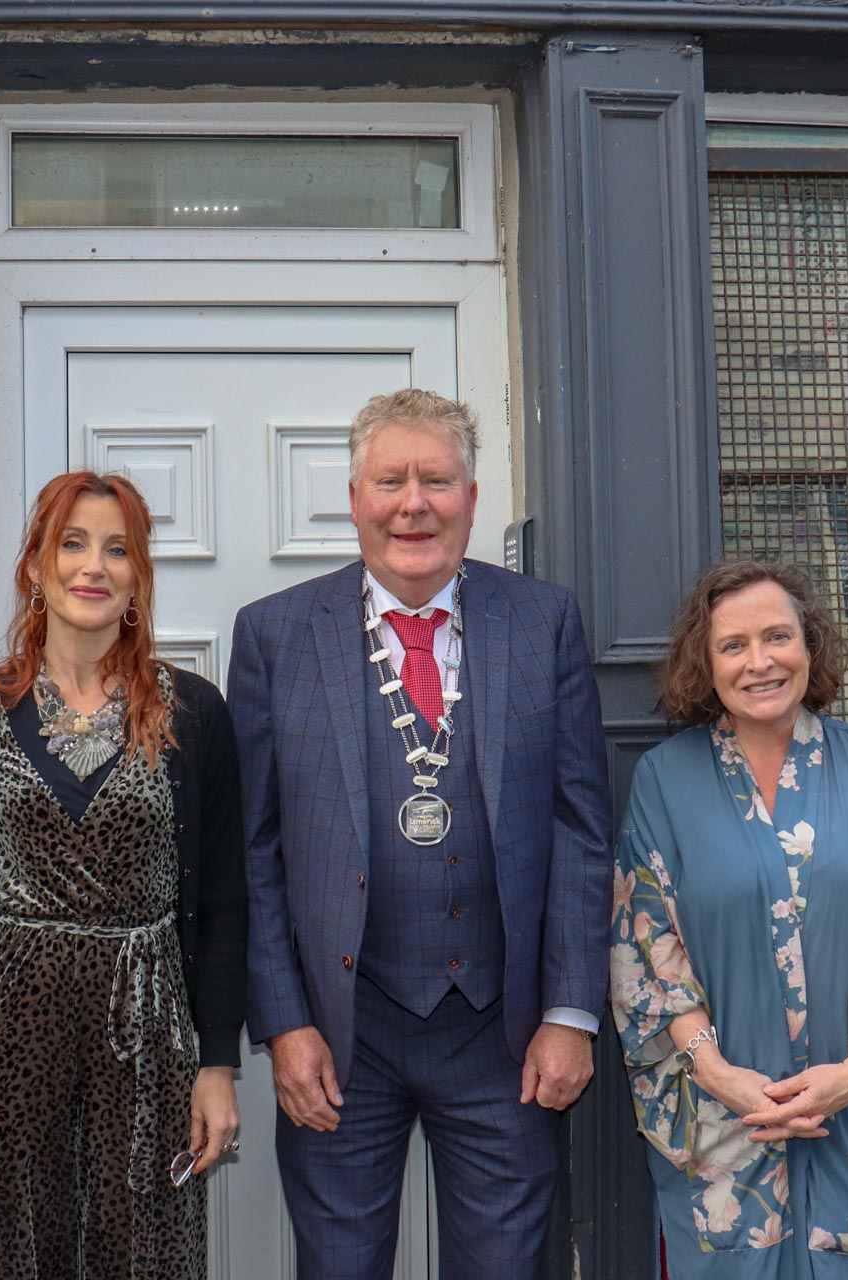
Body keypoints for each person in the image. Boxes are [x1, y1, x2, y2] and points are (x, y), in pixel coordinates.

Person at [227, 388, 613, 1280]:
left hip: (503, 1035)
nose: (414, 503)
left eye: (437, 480)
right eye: (391, 480)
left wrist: (569, 1012)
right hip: (336, 1039)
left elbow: (582, 831)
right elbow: (254, 853)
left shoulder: (543, 621)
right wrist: (284, 1024)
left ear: (471, 500)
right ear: (355, 497)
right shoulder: (276, 636)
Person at [0, 470, 247, 1280]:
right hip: (1, 1040)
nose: (93, 565)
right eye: (72, 543)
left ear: (138, 579)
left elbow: (227, 901)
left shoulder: (192, 714)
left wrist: (218, 1065)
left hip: (149, 1038)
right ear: (35, 566)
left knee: (145, 1257)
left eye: (118, 549)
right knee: (9, 1257)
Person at [609, 559, 848, 1279]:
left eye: (778, 637)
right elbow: (649, 946)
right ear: (704, 665)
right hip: (721, 1124)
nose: (760, 661)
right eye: (733, 645)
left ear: (811, 647)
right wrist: (715, 1071)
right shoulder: (665, 781)